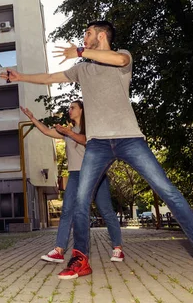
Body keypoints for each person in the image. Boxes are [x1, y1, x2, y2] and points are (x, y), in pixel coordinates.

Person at [0, 21, 193, 285]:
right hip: (98, 143)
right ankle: (80, 258)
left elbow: (117, 57)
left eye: (88, 34)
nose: (84, 37)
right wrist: (20, 76)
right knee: (80, 199)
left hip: (130, 139)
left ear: (101, 36)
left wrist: (80, 51)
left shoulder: (121, 58)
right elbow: (49, 78)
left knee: (167, 190)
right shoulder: (82, 69)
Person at [20, 102, 125, 271]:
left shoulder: (91, 129)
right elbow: (46, 131)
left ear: (82, 110)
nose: (69, 110)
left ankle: (118, 248)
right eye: (68, 108)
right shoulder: (67, 133)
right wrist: (32, 118)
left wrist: (68, 132)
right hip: (75, 174)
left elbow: (85, 140)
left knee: (106, 211)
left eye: (72, 107)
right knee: (67, 210)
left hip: (95, 173)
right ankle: (59, 250)